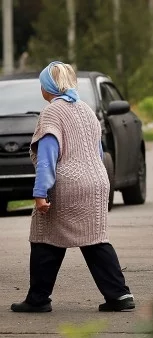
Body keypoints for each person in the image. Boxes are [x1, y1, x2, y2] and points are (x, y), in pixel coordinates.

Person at [11, 61, 134, 313]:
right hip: (97, 181)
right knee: (95, 238)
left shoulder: (52, 113)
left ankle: (38, 299)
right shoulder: (86, 110)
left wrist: (40, 192)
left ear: (48, 87)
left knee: (44, 237)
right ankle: (119, 296)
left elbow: (47, 156)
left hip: (69, 184)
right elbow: (97, 151)